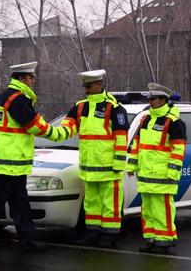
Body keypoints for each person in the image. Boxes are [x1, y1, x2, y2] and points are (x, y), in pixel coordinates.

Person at [0, 62, 59, 252]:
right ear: (21, 78)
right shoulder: (17, 98)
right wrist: (59, 134)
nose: (33, 81)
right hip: (10, 160)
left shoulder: (3, 97)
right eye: (31, 78)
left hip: (10, 159)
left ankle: (27, 238)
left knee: (20, 202)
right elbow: (34, 125)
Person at [55, 69, 130, 247]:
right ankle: (92, 233)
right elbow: (68, 126)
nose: (86, 90)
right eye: (85, 87)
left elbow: (121, 137)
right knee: (91, 203)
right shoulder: (81, 106)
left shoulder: (114, 108)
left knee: (110, 203)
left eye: (89, 86)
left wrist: (119, 164)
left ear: (99, 85)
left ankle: (110, 235)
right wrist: (51, 133)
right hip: (89, 167)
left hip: (109, 167)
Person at [127, 83, 186, 254]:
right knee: (148, 211)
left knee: (162, 211)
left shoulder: (174, 122)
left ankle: (164, 241)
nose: (150, 102)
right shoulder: (146, 120)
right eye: (150, 99)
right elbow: (138, 145)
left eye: (153, 99)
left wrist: (172, 173)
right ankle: (151, 240)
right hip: (146, 176)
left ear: (163, 100)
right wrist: (132, 165)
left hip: (163, 177)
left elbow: (178, 150)